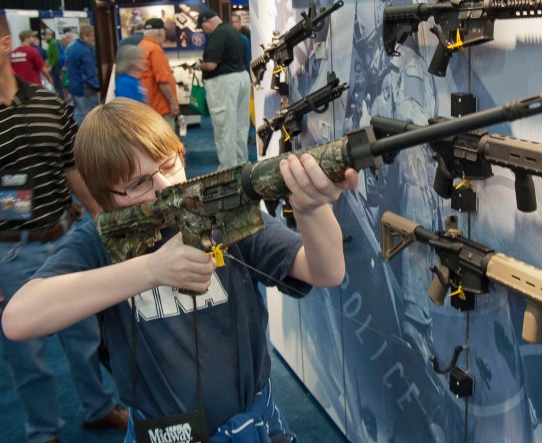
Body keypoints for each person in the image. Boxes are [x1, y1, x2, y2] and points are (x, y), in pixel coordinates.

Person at [2, 98, 359, 442]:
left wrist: (312, 209)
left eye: (169, 164)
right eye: (139, 183)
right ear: (106, 197)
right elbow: (18, 319)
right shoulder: (97, 243)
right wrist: (150, 270)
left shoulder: (220, 210)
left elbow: (325, 272)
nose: (165, 186)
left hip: (254, 423)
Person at [0, 14, 128, 443]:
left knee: (85, 335)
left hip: (64, 237)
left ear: (5, 44)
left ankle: (98, 408)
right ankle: (42, 432)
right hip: (10, 252)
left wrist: (101, 220)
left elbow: (71, 167)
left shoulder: (48, 103)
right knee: (26, 355)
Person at [197, 9, 251, 168]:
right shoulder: (233, 32)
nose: (203, 30)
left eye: (203, 27)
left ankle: (228, 169)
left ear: (208, 21)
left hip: (224, 83)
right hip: (241, 77)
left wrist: (199, 65)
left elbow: (211, 65)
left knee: (224, 126)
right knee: (240, 126)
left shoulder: (218, 35)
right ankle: (242, 165)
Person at [138, 18, 180, 129]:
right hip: (160, 108)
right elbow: (162, 80)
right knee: (166, 143)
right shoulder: (155, 50)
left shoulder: (140, 47)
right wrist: (173, 102)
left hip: (147, 107)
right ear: (160, 33)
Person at [65, 25, 100, 125]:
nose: (94, 38)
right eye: (92, 35)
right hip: (86, 89)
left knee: (79, 113)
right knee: (92, 116)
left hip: (74, 86)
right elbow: (89, 72)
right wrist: (98, 87)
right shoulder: (85, 51)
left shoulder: (72, 46)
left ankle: (78, 135)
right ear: (85, 36)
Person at [45, 28, 67, 97]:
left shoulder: (53, 43)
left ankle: (61, 100)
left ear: (49, 35)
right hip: (55, 67)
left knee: (57, 85)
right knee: (57, 85)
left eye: (45, 35)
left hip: (55, 67)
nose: (44, 37)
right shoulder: (51, 43)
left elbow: (56, 56)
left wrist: (51, 66)